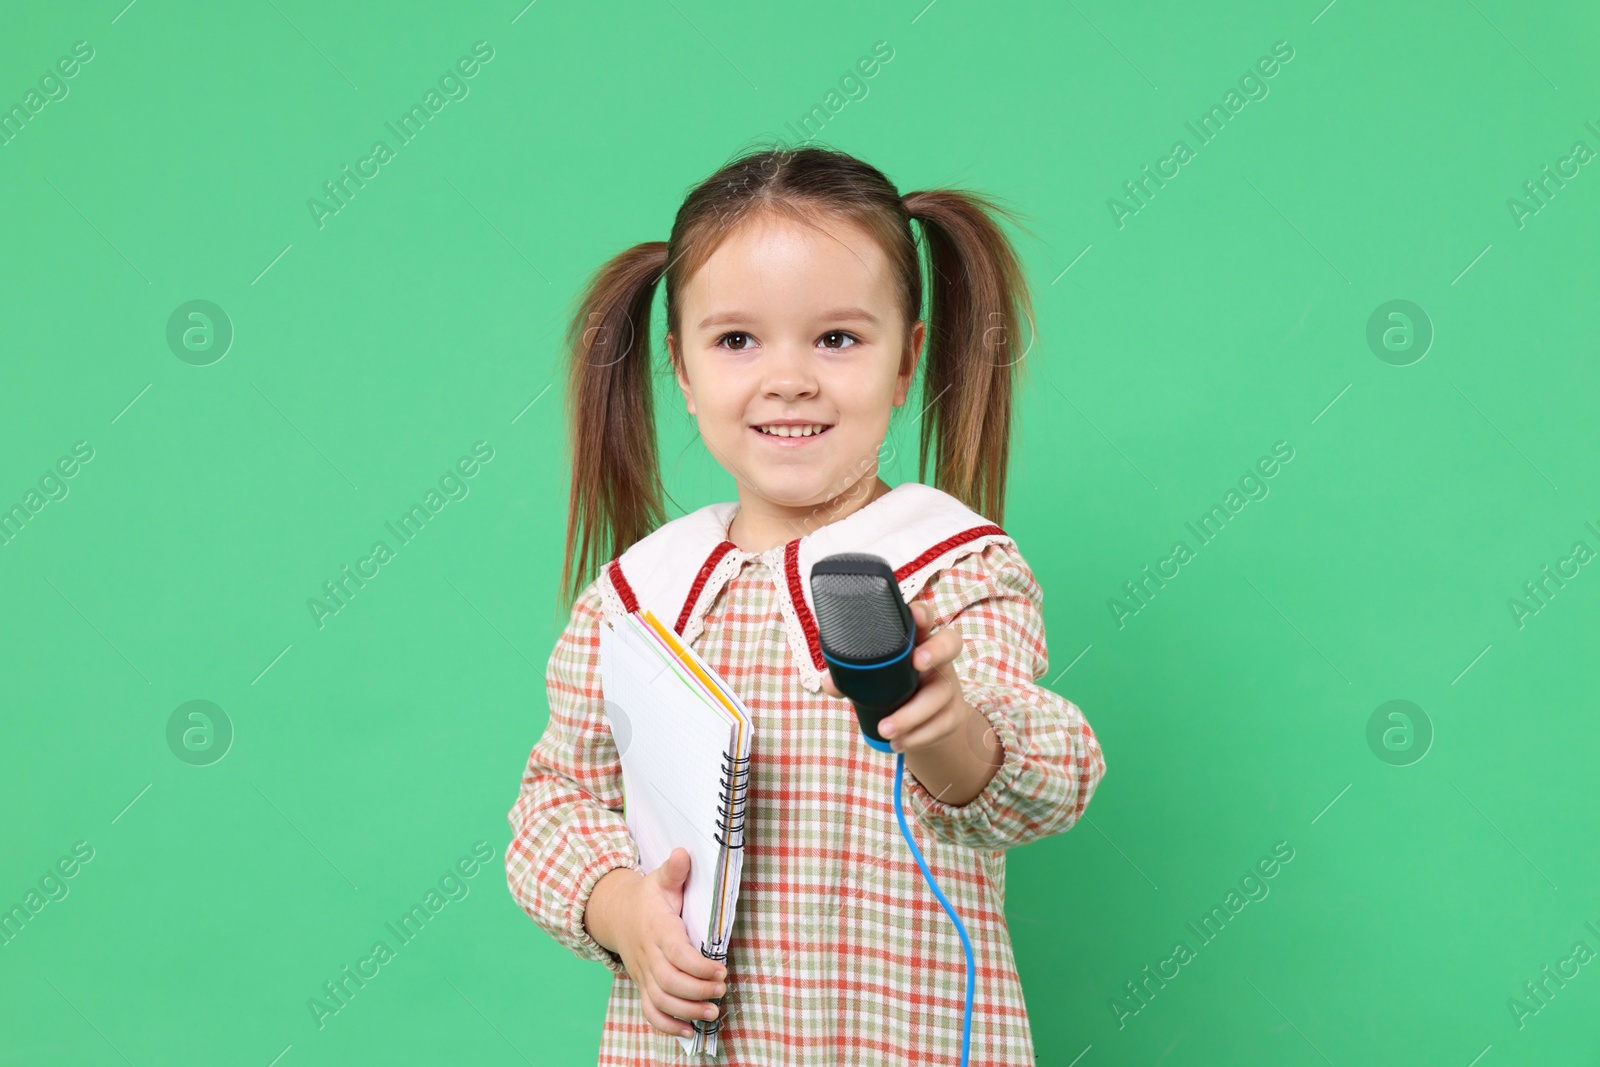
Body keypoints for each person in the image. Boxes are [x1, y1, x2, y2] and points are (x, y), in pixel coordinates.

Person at [504, 143, 1107, 1065]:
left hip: (907, 1039)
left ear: (906, 362)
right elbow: (554, 804)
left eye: (837, 337)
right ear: (682, 367)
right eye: (737, 339)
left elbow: (1050, 778)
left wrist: (950, 729)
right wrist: (619, 907)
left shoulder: (951, 566)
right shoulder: (639, 598)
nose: (789, 378)